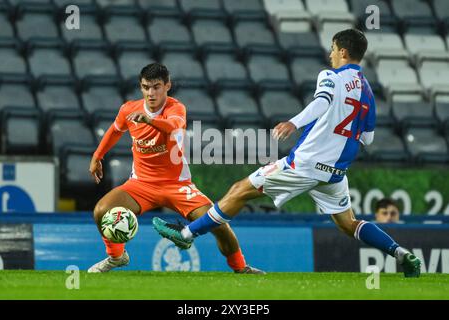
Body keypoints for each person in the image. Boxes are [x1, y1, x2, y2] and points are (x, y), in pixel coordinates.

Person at [153, 29, 421, 277]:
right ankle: (401, 253)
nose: (330, 54)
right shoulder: (369, 92)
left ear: (342, 52)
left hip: (305, 163)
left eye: (332, 48)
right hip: (336, 171)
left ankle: (186, 234)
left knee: (240, 190)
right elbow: (368, 137)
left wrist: (295, 122)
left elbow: (322, 102)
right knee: (348, 223)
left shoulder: (331, 76)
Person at [87, 62, 264, 274]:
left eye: (156, 86)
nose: (151, 93)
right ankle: (117, 257)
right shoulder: (128, 109)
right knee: (101, 211)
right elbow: (115, 130)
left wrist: (149, 120)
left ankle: (241, 268)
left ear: (167, 85)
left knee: (218, 223)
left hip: (177, 185)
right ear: (140, 87)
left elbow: (173, 126)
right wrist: (98, 156)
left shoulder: (175, 108)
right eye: (146, 87)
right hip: (141, 184)